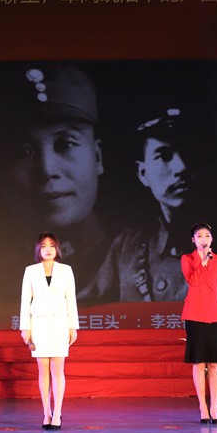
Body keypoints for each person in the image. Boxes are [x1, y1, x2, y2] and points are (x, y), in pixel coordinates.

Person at [0, 63, 108, 300]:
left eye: (65, 144)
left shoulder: (135, 260)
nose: (47, 170)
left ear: (97, 157)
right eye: (22, 151)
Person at [81, 108, 201, 302]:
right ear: (143, 174)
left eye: (187, 152)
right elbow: (84, 304)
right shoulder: (127, 248)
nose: (181, 167)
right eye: (164, 156)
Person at [19, 232, 79, 431]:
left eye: (52, 245)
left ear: (57, 249)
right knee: (43, 369)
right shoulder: (30, 271)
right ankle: (46, 412)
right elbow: (25, 300)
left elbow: (71, 299)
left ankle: (58, 412)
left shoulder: (66, 270)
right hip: (39, 325)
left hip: (60, 324)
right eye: (44, 246)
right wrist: (25, 328)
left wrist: (73, 326)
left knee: (58, 369)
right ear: (38, 249)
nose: (48, 249)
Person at [181, 222, 217, 425]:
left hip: (216, 313)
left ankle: (214, 407)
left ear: (212, 239)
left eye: (207, 236)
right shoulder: (187, 259)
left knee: (215, 362)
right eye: (199, 236)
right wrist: (202, 261)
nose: (204, 239)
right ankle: (203, 406)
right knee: (199, 362)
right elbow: (192, 281)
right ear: (193, 240)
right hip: (194, 314)